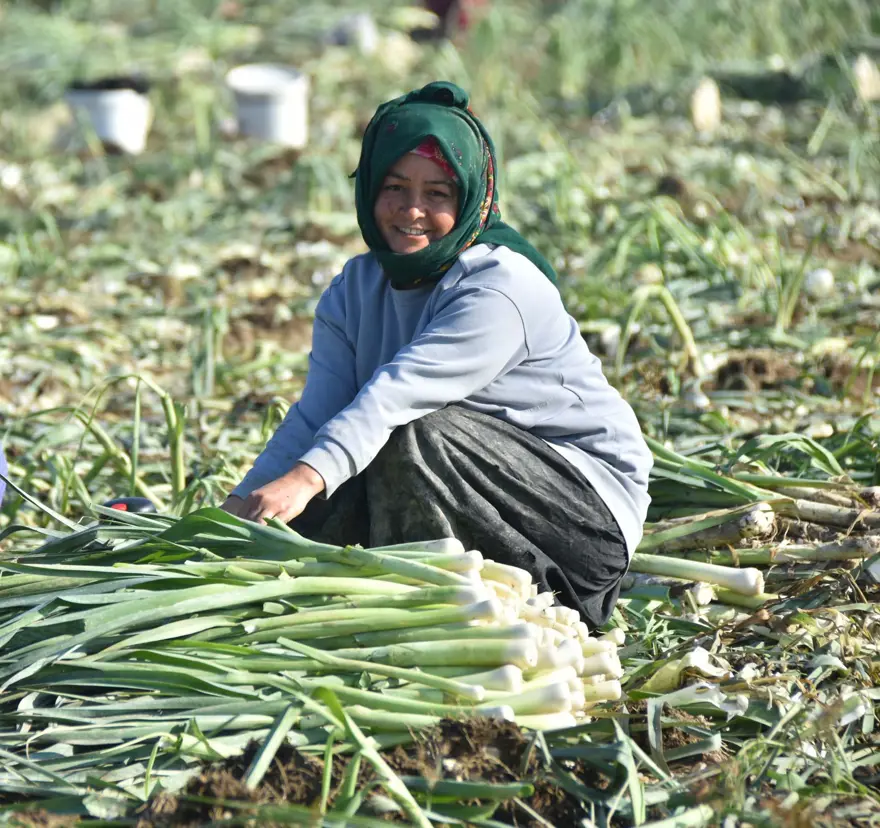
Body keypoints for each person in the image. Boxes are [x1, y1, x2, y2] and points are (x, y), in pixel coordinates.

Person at [222, 81, 652, 628]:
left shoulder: (500, 287)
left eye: (438, 195)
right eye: (395, 188)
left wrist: (306, 479)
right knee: (313, 499)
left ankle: (500, 611)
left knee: (413, 433)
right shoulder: (353, 290)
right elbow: (315, 415)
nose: (412, 211)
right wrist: (239, 510)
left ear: (471, 197)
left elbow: (397, 394)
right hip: (454, 485)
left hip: (581, 525)